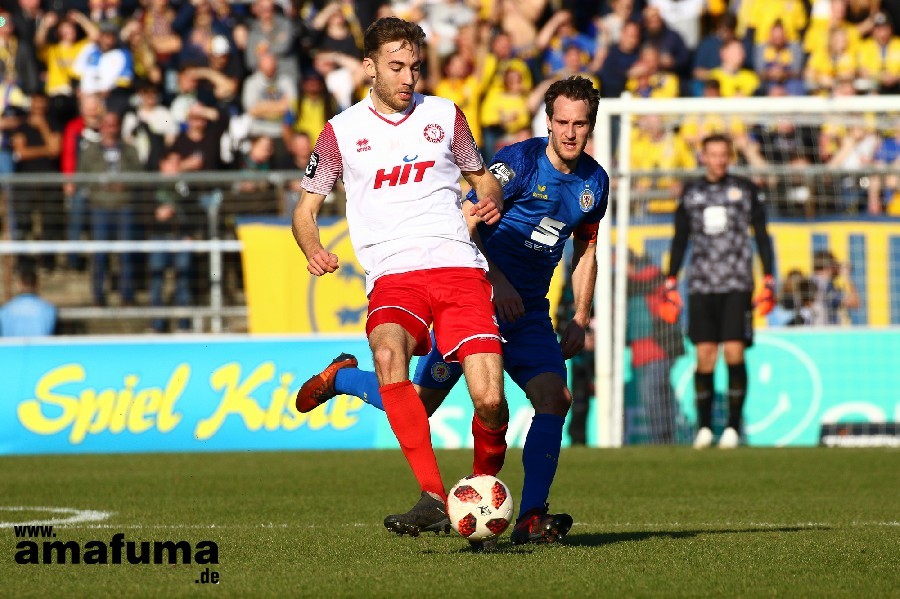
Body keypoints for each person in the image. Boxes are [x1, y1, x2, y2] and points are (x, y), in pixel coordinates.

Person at [296, 76, 609, 546]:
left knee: (553, 399)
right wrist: (496, 279)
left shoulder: (594, 183)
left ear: (591, 126)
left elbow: (585, 250)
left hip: (528, 315)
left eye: (579, 124)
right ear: (547, 121)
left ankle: (529, 517)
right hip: (474, 296)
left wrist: (581, 316)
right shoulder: (518, 163)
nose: (569, 133)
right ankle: (343, 377)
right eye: (561, 122)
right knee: (416, 403)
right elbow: (462, 218)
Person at [292, 17, 509, 543]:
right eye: (396, 67)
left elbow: (483, 182)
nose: (409, 78)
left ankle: (482, 489)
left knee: (489, 399)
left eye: (414, 66)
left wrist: (490, 202)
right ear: (369, 68)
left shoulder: (445, 116)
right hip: (392, 273)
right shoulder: (341, 131)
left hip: (458, 266)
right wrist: (314, 247)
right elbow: (305, 209)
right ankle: (435, 498)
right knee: (389, 355)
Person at [664, 133, 775, 450]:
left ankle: (732, 428)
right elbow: (680, 238)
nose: (718, 160)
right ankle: (704, 428)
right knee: (705, 356)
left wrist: (768, 277)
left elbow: (762, 235)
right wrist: (671, 279)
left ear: (730, 157)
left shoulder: (746, 190)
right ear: (703, 156)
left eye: (723, 154)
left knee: (734, 352)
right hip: (701, 285)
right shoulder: (691, 192)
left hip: (737, 284)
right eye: (712, 154)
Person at [0, 265, 58, 337]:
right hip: (41, 347)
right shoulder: (49, 309)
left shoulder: (5, 310)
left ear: (19, 284)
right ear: (37, 285)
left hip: (11, 348)